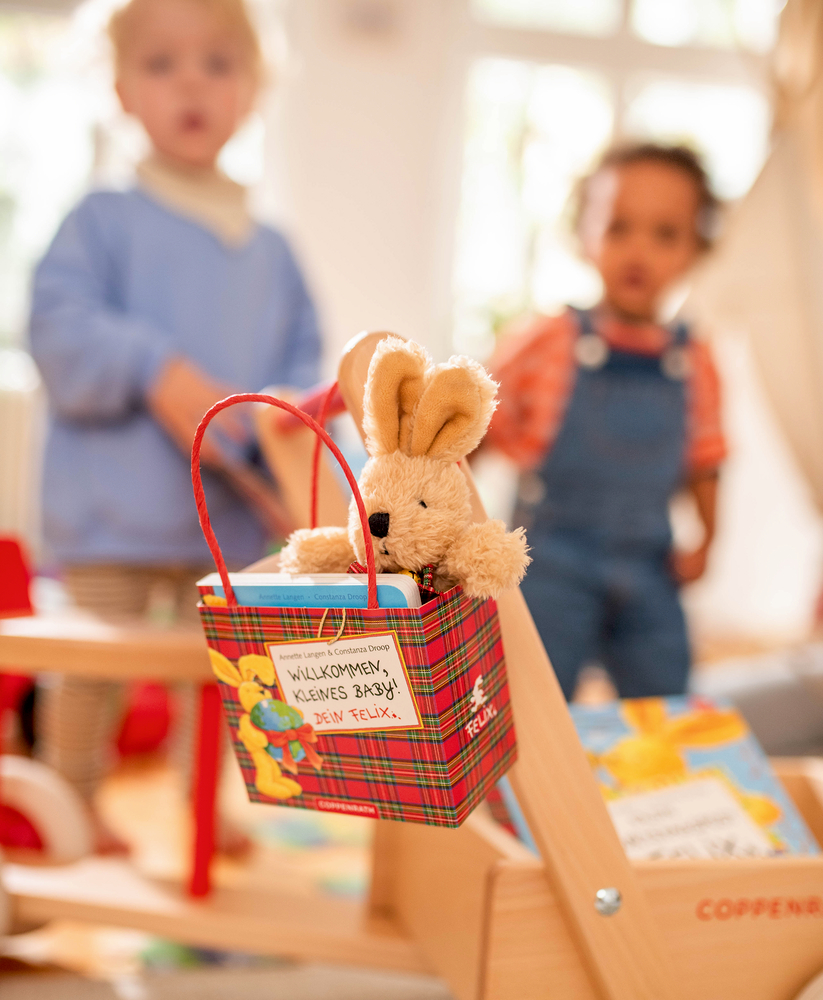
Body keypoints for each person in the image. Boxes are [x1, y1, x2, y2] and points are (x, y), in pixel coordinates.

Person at [29, 0, 321, 851]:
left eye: (216, 64)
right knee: (92, 668)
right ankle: (67, 797)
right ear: (123, 91)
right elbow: (58, 327)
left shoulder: (273, 252)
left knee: (221, 672)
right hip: (110, 518)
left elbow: (304, 376)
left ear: (252, 92)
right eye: (161, 64)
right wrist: (153, 367)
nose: (190, 82)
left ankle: (204, 802)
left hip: (223, 523)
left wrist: (275, 438)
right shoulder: (100, 220)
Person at [486, 143, 727, 701]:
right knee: (533, 694)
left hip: (651, 564)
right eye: (619, 228)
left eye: (665, 234)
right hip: (549, 560)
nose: (639, 250)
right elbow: (472, 424)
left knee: (667, 691)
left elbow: (707, 460)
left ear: (695, 249)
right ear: (584, 236)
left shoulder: (695, 362)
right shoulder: (547, 342)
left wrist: (709, 538)